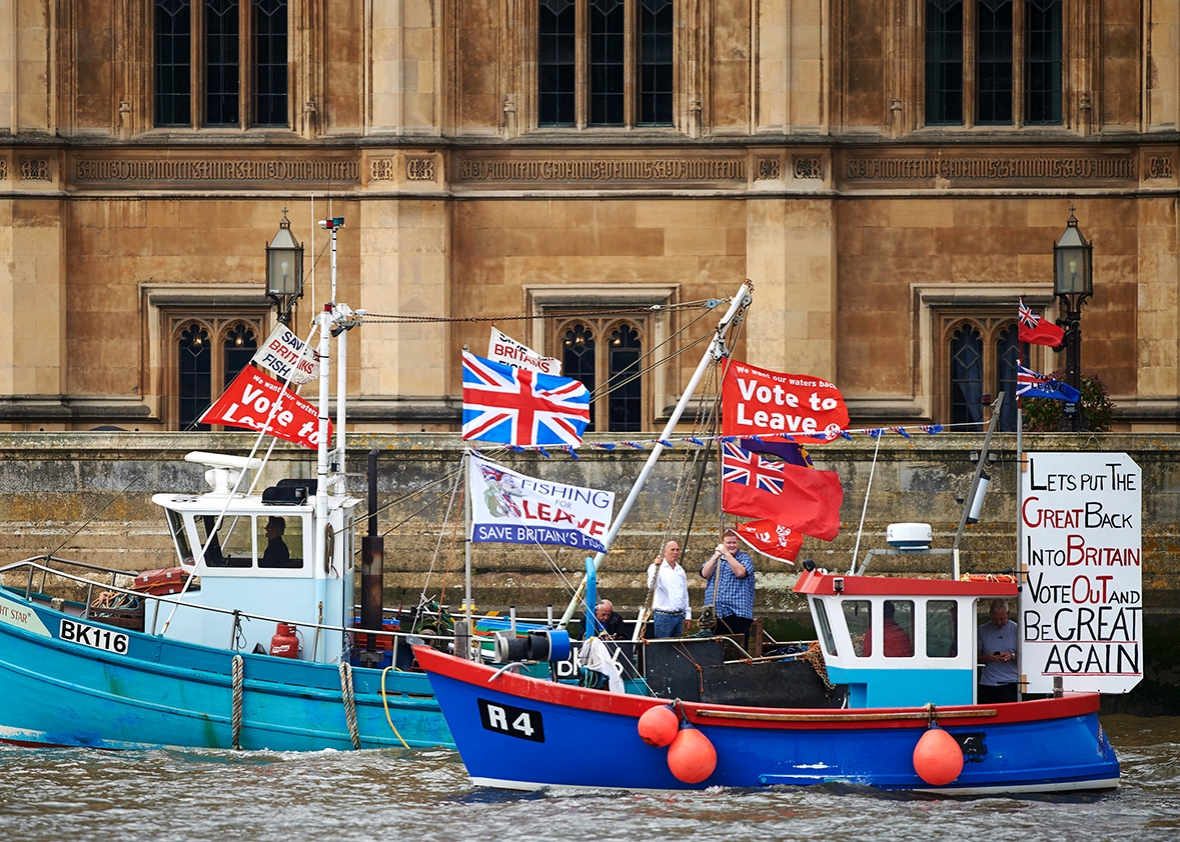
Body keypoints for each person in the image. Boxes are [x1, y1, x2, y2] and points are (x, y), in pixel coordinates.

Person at [700, 530, 756, 649]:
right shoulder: (715, 559)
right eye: (728, 543)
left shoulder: (744, 558)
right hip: (716, 612)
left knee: (738, 648)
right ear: (722, 543)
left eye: (734, 543)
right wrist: (716, 556)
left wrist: (727, 554)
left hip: (737, 613)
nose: (731, 545)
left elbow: (740, 572)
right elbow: (705, 573)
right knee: (714, 649)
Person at [978, 598, 1018, 703]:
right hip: (987, 684)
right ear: (990, 614)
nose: (999, 622)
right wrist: (988, 658)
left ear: (1008, 613)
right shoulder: (982, 630)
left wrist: (1012, 656)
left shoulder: (1017, 629)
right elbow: (975, 659)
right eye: (995, 619)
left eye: (1002, 619)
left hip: (1010, 683)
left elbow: (1027, 657)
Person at [647, 540, 690, 638]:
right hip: (664, 616)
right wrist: (655, 567)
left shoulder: (680, 570)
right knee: (663, 647)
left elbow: (684, 594)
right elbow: (652, 585)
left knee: (676, 648)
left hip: (679, 616)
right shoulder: (656, 568)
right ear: (665, 552)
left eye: (677, 550)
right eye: (672, 550)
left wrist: (688, 615)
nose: (675, 552)